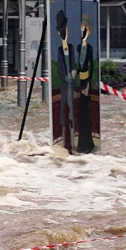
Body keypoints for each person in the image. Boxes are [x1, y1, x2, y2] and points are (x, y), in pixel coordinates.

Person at [54, 10, 76, 151]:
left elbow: (73, 63)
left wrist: (73, 72)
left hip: (72, 83)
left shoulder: (72, 48)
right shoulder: (59, 50)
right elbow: (59, 69)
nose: (65, 32)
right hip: (64, 84)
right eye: (63, 30)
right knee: (64, 109)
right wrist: (65, 77)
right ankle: (64, 140)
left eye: (66, 29)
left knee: (72, 108)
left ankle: (73, 138)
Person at [75, 13, 96, 154]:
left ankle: (87, 143)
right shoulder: (78, 47)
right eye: (82, 28)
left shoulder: (89, 48)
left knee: (85, 112)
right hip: (80, 81)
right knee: (80, 113)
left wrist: (88, 83)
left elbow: (91, 67)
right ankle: (81, 142)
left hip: (86, 81)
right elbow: (77, 65)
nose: (83, 31)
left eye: (85, 29)